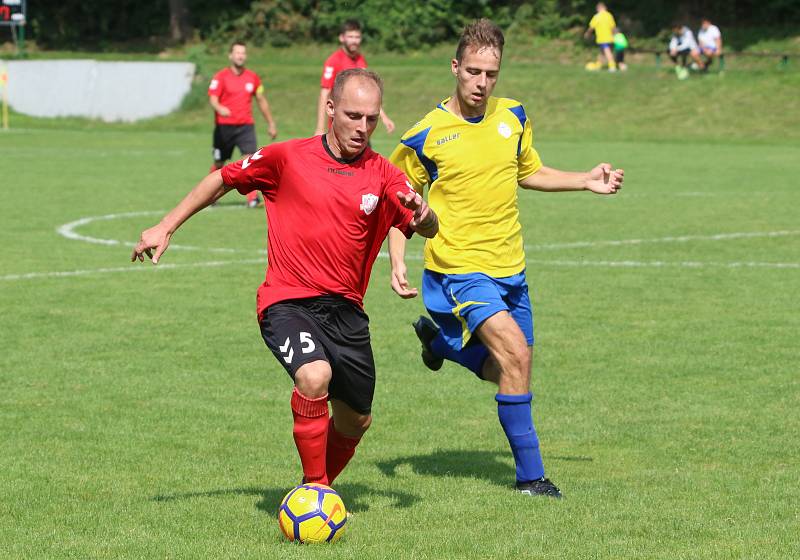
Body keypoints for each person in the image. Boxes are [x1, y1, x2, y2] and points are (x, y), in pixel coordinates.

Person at [132, 68, 439, 488]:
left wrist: (424, 215)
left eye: (371, 118)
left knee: (356, 420)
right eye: (353, 115)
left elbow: (426, 225)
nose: (362, 127)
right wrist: (165, 226)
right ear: (330, 109)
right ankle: (315, 490)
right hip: (287, 301)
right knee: (314, 376)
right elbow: (223, 178)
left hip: (347, 310)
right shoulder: (287, 157)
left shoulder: (384, 173)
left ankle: (315, 486)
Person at [387, 19, 624, 498]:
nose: (481, 82)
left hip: (510, 267)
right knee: (514, 356)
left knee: (511, 369)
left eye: (491, 73)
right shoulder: (424, 136)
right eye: (473, 71)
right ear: (455, 67)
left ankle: (442, 347)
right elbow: (399, 201)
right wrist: (398, 259)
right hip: (458, 267)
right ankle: (530, 479)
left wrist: (584, 179)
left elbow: (528, 169)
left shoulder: (512, 116)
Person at [208, 41, 278, 208]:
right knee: (219, 163)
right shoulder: (220, 76)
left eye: (243, 53)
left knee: (249, 161)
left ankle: (252, 199)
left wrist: (271, 123)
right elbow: (212, 98)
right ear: (230, 55)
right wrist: (220, 108)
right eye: (237, 52)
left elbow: (261, 100)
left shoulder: (252, 78)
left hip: (246, 126)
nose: (240, 56)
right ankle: (210, 195)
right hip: (224, 127)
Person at [314, 20, 395, 136]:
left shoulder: (360, 60)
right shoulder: (334, 61)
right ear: (342, 38)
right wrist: (320, 128)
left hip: (362, 125)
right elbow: (324, 94)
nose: (354, 41)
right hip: (341, 127)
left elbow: (368, 93)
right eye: (350, 37)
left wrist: (384, 118)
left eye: (357, 37)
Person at [584, 3, 617, 72]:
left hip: (603, 38)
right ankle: (598, 65)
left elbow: (591, 27)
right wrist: (614, 34)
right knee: (602, 52)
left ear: (598, 8)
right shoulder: (609, 15)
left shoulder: (597, 16)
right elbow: (613, 27)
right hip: (610, 37)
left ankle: (612, 66)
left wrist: (587, 33)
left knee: (607, 51)